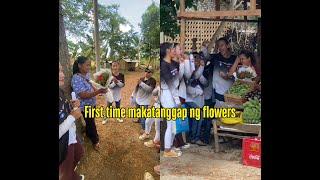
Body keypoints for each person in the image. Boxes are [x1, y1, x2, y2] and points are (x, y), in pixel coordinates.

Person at [71, 56, 107, 150]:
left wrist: (98, 91)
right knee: (91, 123)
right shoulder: (76, 78)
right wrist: (98, 92)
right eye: (87, 65)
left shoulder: (86, 74)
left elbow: (90, 84)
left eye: (89, 65)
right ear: (79, 65)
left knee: (90, 121)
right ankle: (95, 141)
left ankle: (88, 134)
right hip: (85, 106)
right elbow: (83, 95)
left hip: (92, 104)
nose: (89, 67)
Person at [59, 63, 85, 180]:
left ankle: (72, 174)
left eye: (62, 70)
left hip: (71, 136)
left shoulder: (60, 91)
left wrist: (70, 105)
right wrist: (72, 117)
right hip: (62, 145)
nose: (63, 75)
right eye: (58, 71)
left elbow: (62, 110)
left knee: (79, 153)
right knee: (65, 174)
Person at [160, 42, 182, 157]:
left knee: (173, 125)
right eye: (173, 49)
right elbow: (171, 85)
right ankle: (167, 151)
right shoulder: (163, 66)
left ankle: (171, 147)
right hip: (168, 97)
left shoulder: (173, 63)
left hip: (173, 95)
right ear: (168, 51)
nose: (175, 50)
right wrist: (177, 100)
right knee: (170, 124)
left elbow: (178, 79)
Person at [185, 53, 208, 146]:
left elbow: (206, 83)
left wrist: (202, 70)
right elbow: (189, 87)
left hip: (199, 100)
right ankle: (194, 137)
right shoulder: (189, 71)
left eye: (197, 59)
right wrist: (201, 67)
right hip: (190, 99)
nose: (196, 61)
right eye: (194, 60)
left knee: (198, 118)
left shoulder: (202, 71)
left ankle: (194, 137)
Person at [210, 37, 237, 105]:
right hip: (219, 92)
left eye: (222, 45)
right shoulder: (215, 57)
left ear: (228, 46)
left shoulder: (235, 59)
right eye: (218, 46)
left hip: (232, 92)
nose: (220, 48)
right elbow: (206, 56)